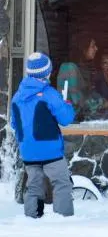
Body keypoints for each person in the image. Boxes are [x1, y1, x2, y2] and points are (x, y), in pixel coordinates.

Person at [10, 52, 75, 218]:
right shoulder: (49, 93)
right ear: (47, 72)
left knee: (33, 185)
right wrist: (66, 104)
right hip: (50, 150)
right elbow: (66, 118)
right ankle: (63, 219)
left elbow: (14, 124)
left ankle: (32, 218)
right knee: (61, 183)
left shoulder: (17, 97)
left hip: (28, 152)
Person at [56, 38, 100, 120]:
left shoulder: (85, 69)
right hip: (72, 122)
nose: (96, 48)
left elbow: (90, 94)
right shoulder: (69, 68)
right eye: (93, 46)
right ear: (84, 49)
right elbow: (77, 101)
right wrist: (102, 104)